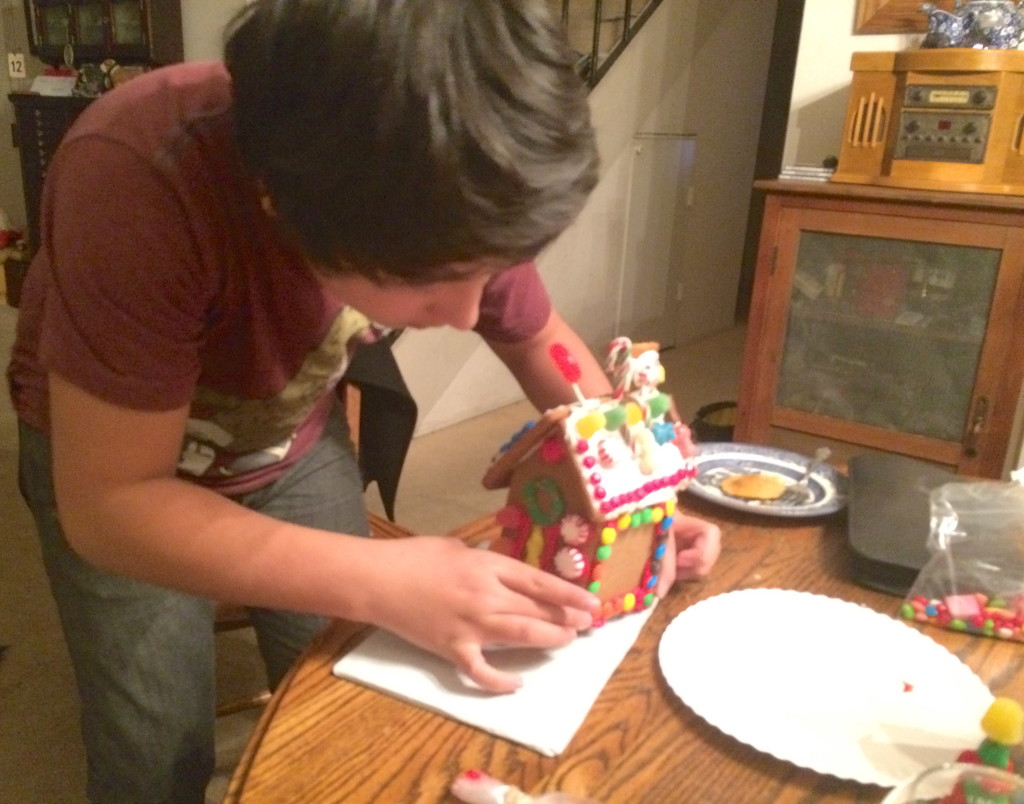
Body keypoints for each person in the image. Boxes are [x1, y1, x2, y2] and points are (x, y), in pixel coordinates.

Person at [6, 1, 722, 800]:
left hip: (291, 436)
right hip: (119, 461)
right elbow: (113, 505)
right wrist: (378, 576)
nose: (465, 312)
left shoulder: (459, 173)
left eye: (491, 270)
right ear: (282, 201)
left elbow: (536, 337)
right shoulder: (136, 177)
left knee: (358, 681)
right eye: (424, 282)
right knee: (157, 739)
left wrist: (634, 481)